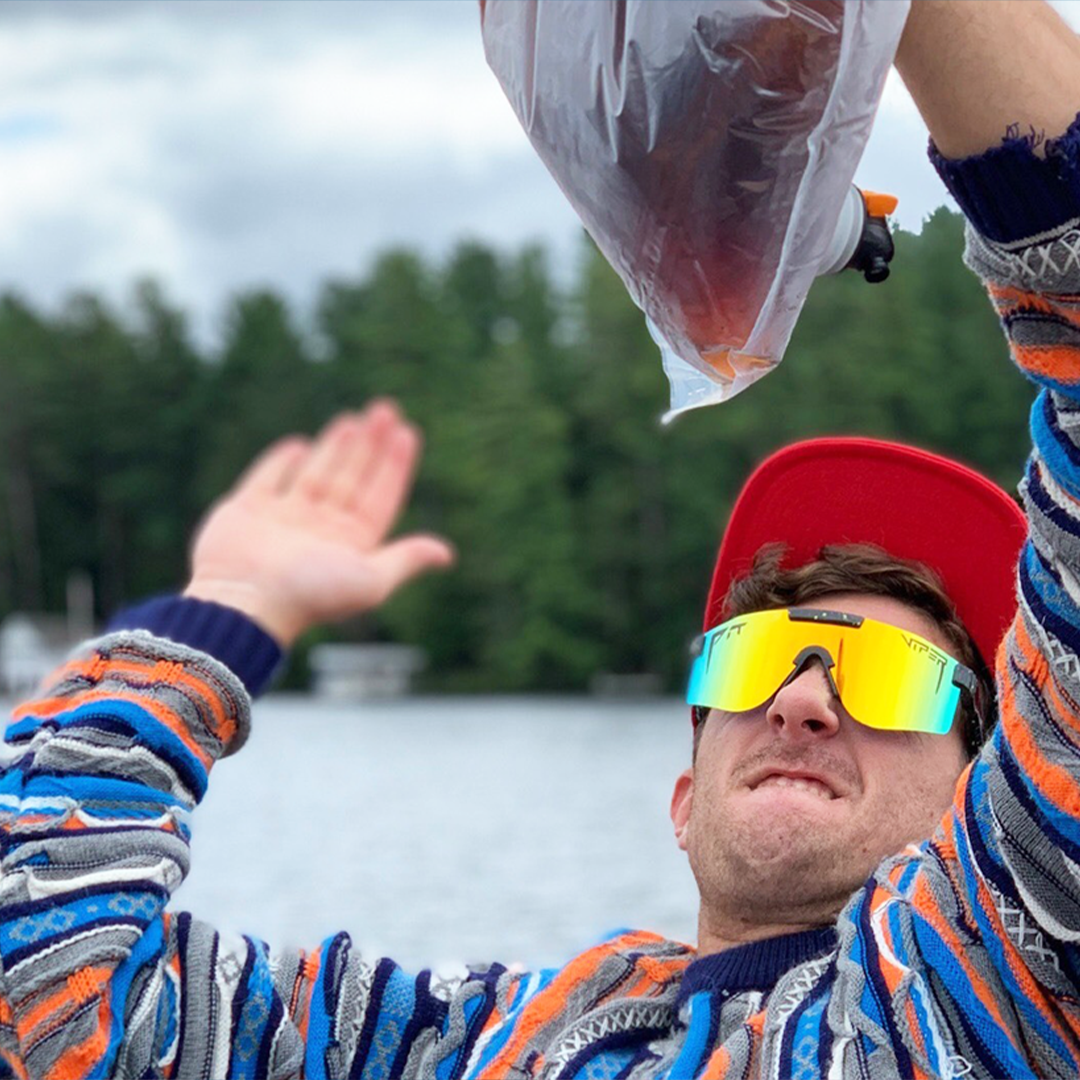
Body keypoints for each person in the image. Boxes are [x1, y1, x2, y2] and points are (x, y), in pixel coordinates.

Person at [4, 0, 1080, 1075]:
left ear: (979, 806)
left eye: (888, 675)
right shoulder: (467, 1046)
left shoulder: (982, 1004)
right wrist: (223, 613)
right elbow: (45, 991)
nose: (799, 701)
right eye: (751, 663)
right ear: (681, 801)